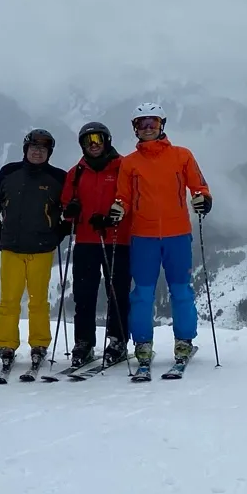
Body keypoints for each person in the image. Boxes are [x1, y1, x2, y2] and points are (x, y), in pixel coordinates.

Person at [109, 102, 212, 374]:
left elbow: (198, 185)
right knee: (142, 294)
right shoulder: (130, 163)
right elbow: (124, 196)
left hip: (177, 235)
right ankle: (142, 343)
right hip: (143, 236)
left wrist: (203, 198)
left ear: (161, 125)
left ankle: (183, 342)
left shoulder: (182, 155)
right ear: (135, 129)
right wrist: (119, 207)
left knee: (181, 290)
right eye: (142, 124)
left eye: (152, 123)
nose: (147, 129)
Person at [0, 128, 69, 371]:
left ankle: (39, 343)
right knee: (9, 300)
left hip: (42, 249)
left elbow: (72, 209)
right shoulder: (9, 172)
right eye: (34, 148)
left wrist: (58, 232)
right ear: (25, 149)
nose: (38, 152)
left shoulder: (57, 177)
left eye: (43, 149)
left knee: (38, 301)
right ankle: (7, 344)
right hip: (11, 247)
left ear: (49, 153)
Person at [60, 122, 132, 369]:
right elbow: (66, 205)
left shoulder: (124, 167)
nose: (93, 145)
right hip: (86, 241)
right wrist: (71, 211)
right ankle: (84, 342)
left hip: (117, 239)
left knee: (118, 292)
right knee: (84, 295)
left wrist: (114, 216)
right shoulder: (77, 172)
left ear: (107, 140)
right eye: (88, 141)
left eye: (97, 139)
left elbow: (132, 199)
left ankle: (118, 340)